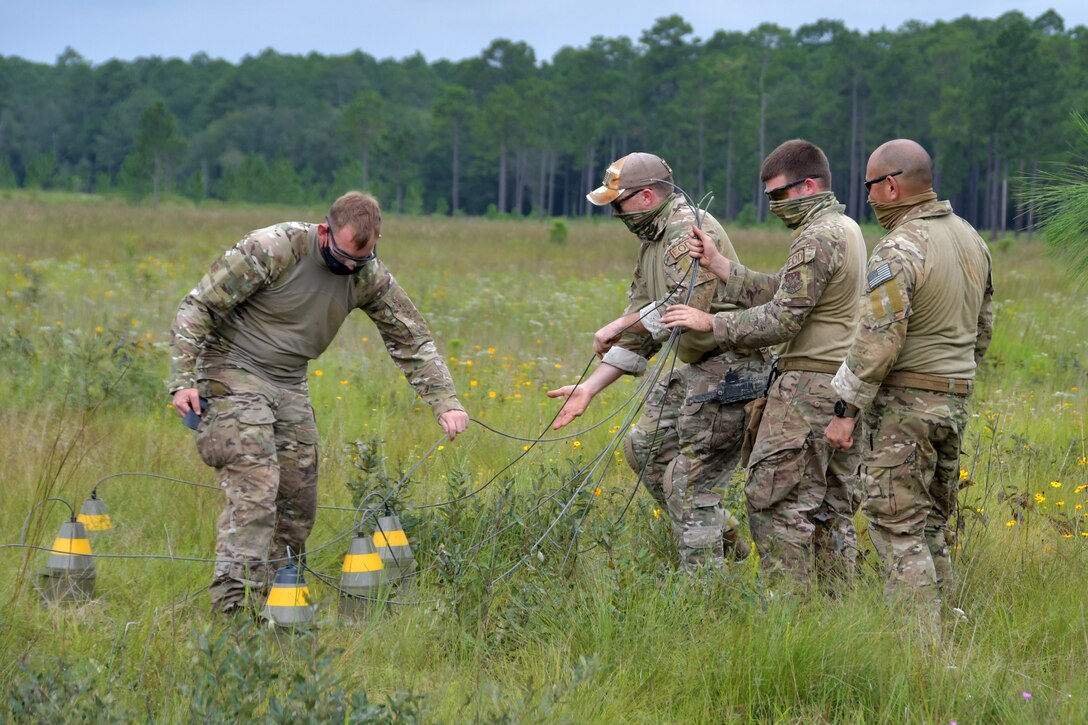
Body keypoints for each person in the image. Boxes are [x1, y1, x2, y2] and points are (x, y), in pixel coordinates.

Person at [168, 191, 469, 614]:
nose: (347, 268)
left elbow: (411, 338)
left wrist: (445, 402)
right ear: (324, 232)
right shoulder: (272, 248)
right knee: (256, 488)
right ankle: (235, 610)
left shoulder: (368, 274)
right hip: (231, 368)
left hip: (289, 381)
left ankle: (281, 606)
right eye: (340, 257)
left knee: (296, 501)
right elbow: (197, 308)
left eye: (358, 261)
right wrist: (183, 381)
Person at [547, 152, 768, 573]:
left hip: (735, 367)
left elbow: (683, 307)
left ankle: (703, 594)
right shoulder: (653, 239)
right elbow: (638, 331)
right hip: (702, 366)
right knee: (644, 446)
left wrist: (622, 321)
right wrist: (588, 389)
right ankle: (721, 537)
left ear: (646, 196)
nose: (615, 213)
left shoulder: (687, 230)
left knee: (688, 483)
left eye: (619, 203)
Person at [661, 139, 867, 588]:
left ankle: (786, 614)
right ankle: (837, 608)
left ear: (808, 185)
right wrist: (722, 267)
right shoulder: (845, 228)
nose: (773, 206)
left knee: (776, 503)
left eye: (779, 195)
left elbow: (783, 318)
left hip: (809, 388)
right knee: (830, 507)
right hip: (840, 386)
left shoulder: (818, 236)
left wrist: (711, 323)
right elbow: (785, 290)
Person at [823, 139, 993, 614]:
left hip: (905, 408)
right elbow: (983, 330)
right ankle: (949, 631)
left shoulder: (898, 247)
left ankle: (917, 652)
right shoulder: (971, 239)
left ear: (891, 185)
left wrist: (845, 411)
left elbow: (878, 338)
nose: (870, 199)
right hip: (953, 402)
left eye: (870, 187)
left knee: (897, 527)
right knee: (931, 525)